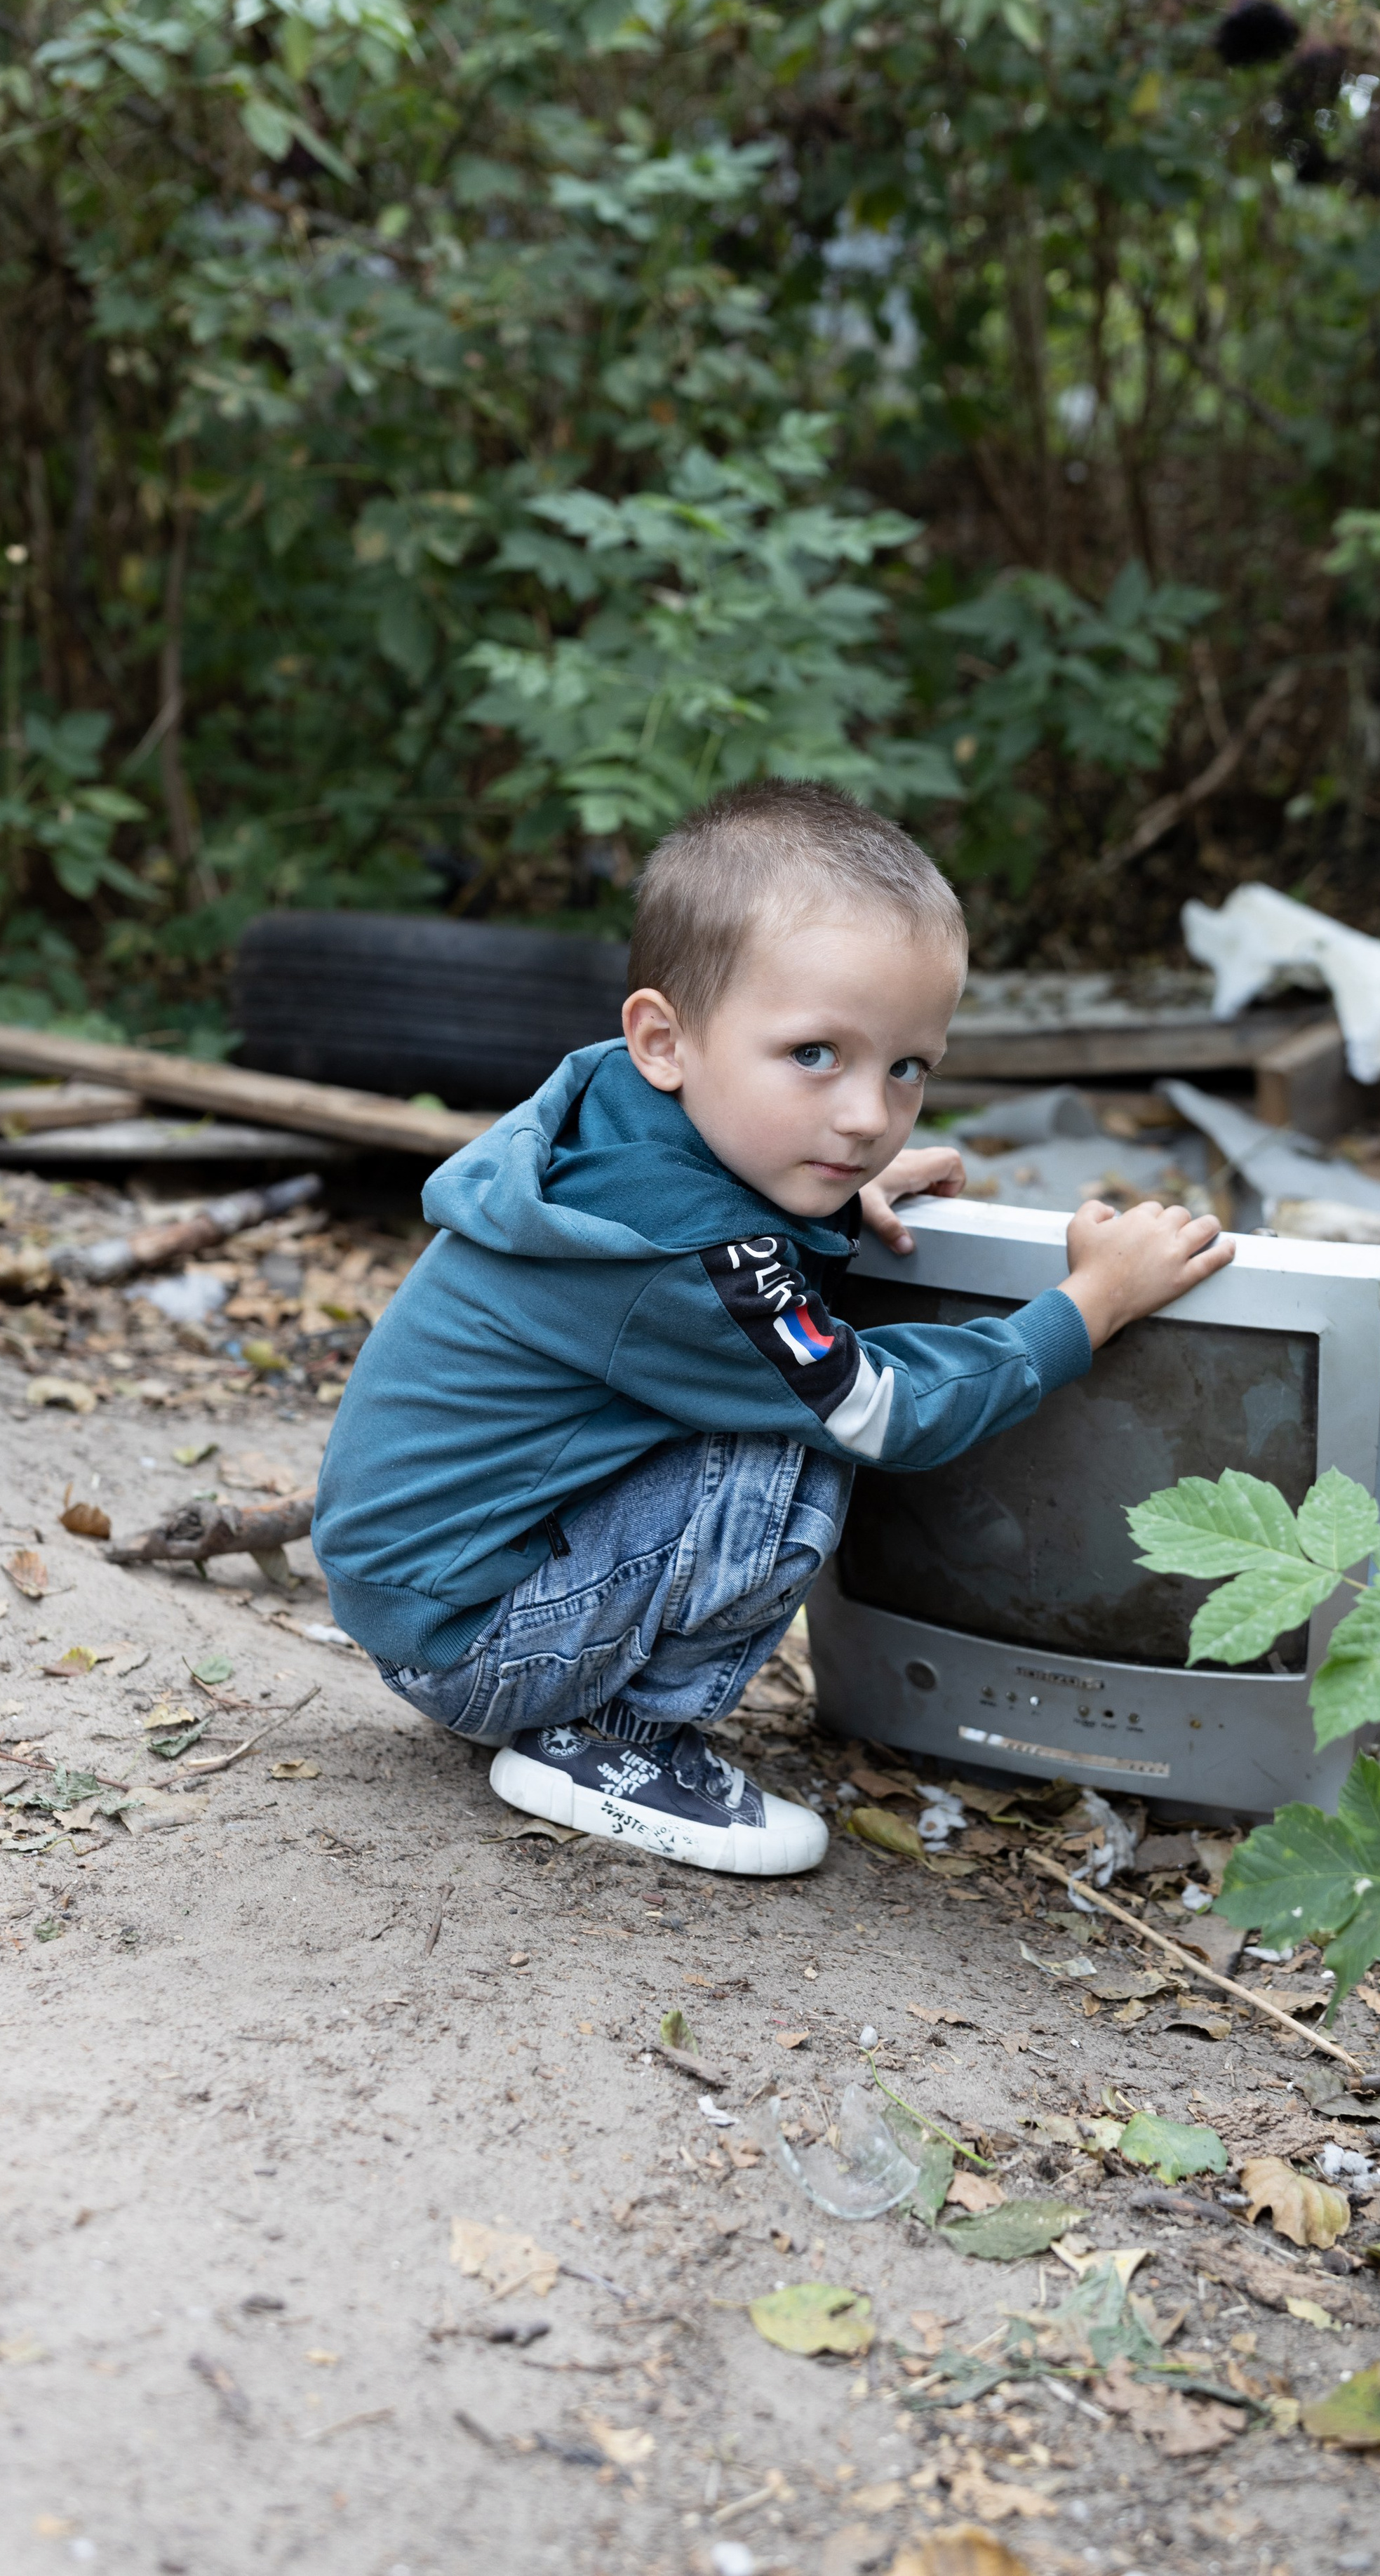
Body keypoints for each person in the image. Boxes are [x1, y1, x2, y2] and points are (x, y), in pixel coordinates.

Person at [311, 782, 1232, 1876]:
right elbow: (887, 1414)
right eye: (814, 1057)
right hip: (476, 1642)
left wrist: (833, 1194)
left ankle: (575, 1704)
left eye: (906, 1069)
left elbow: (718, 1208)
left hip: (432, 1599)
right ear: (666, 1037)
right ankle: (609, 1743)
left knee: (778, 1386)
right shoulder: (687, 1260)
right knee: (807, 1427)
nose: (865, 1116)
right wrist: (1093, 1305)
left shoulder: (614, 1111)